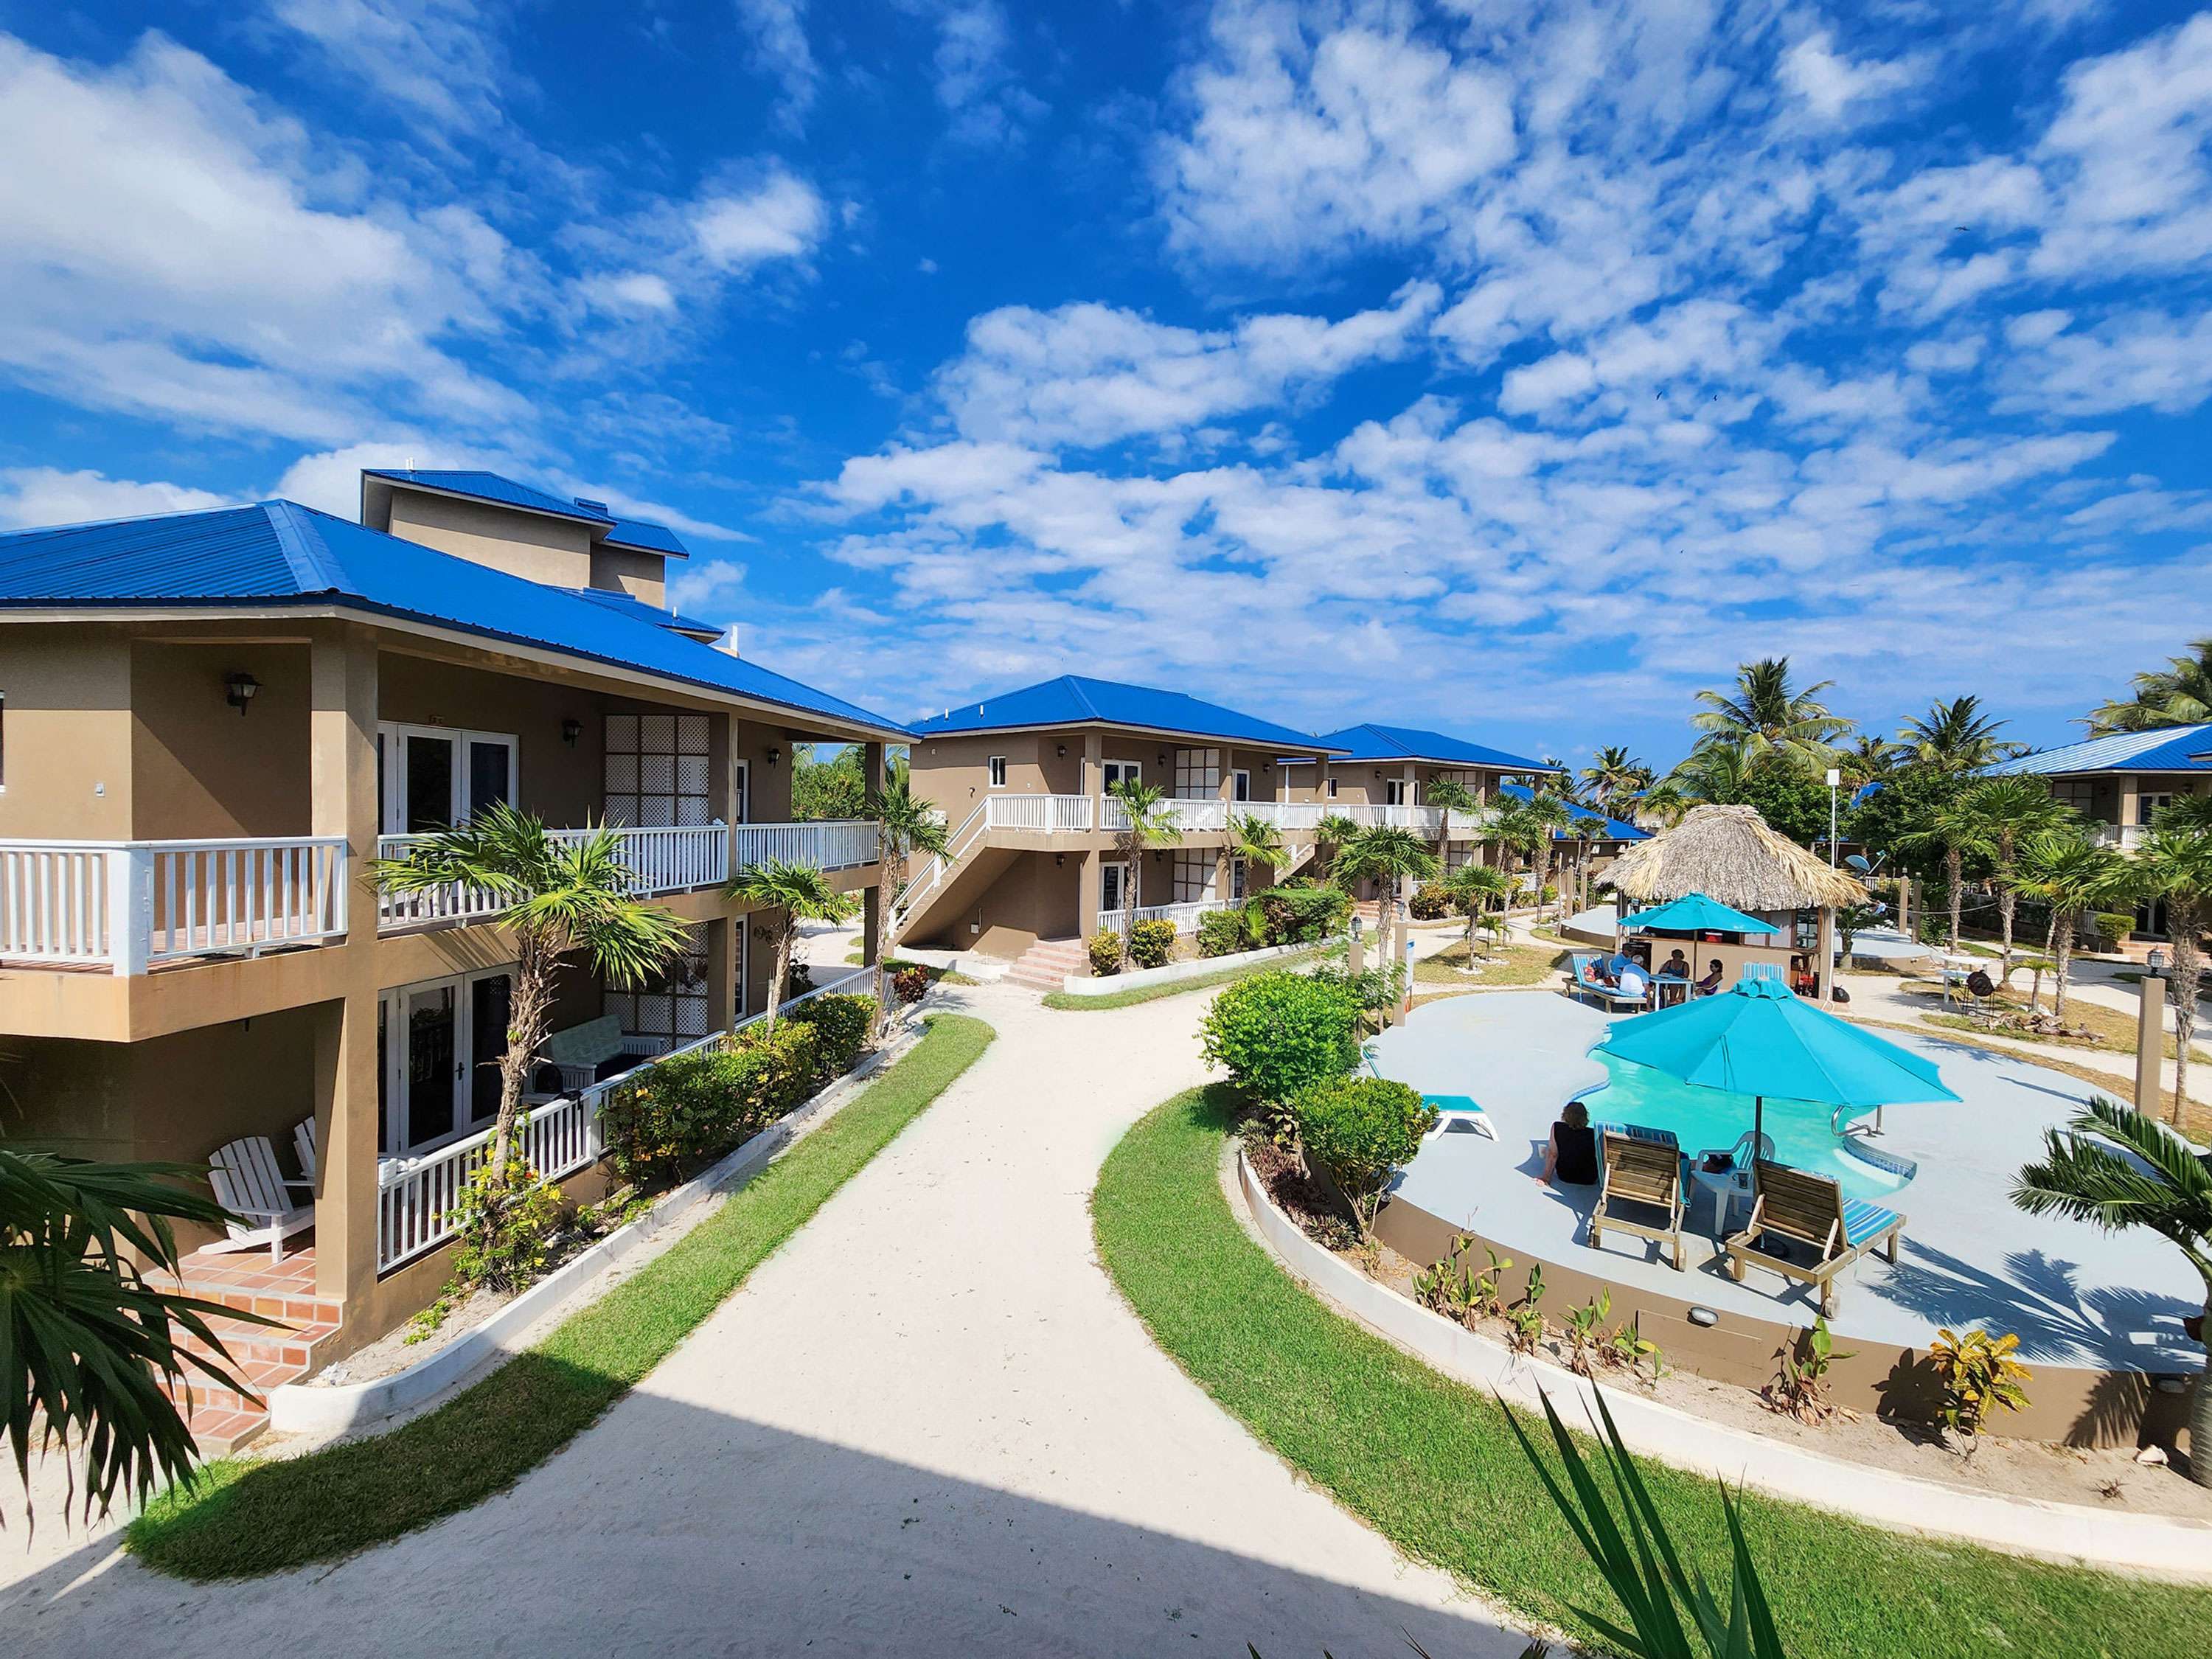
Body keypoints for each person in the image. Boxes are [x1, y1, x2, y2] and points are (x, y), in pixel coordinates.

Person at [1541, 1100, 1599, 1188]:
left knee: (1547, 1150)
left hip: (1565, 1175)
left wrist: (1546, 1178)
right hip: (1589, 1178)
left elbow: (1553, 1155)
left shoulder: (1557, 1128)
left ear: (1565, 1115)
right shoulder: (1593, 1134)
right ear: (1585, 1117)